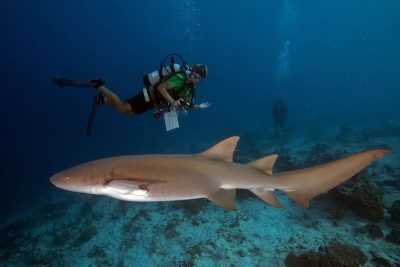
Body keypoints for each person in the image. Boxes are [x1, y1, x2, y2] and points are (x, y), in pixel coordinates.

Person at [52, 61, 210, 134]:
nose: (195, 79)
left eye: (198, 79)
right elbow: (162, 87)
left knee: (129, 113)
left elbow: (187, 103)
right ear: (190, 72)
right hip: (148, 96)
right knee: (122, 108)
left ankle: (103, 100)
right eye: (194, 75)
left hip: (152, 104)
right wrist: (173, 102)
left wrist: (198, 107)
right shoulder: (181, 78)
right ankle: (98, 84)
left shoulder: (190, 89)